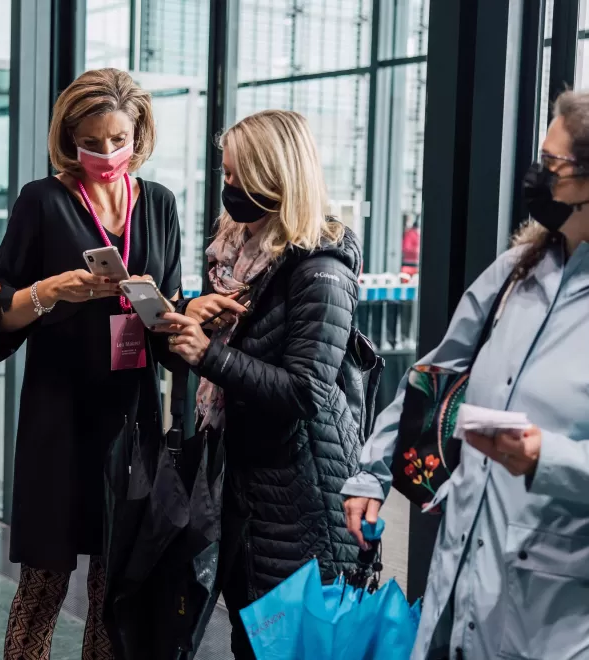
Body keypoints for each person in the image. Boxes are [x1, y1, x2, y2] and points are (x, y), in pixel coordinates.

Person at [343, 88, 589, 660]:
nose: (537, 176)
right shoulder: (517, 272)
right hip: (467, 595)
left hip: (578, 624)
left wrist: (549, 458)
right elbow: (434, 375)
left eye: (553, 163)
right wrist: (372, 472)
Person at [0, 68, 182, 660]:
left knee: (115, 587)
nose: (107, 154)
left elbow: (173, 309)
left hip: (131, 414)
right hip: (57, 415)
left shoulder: (159, 204)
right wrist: (52, 290)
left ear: (139, 134)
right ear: (69, 137)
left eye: (119, 139)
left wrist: (173, 311)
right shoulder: (41, 201)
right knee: (43, 579)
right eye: (92, 142)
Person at [161, 109, 364, 660]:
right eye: (225, 173)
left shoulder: (322, 270)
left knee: (287, 645)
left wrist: (209, 356)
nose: (227, 187)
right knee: (251, 637)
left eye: (237, 176)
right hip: (245, 484)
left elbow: (306, 392)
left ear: (275, 177)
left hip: (298, 496)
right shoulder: (241, 258)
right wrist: (197, 316)